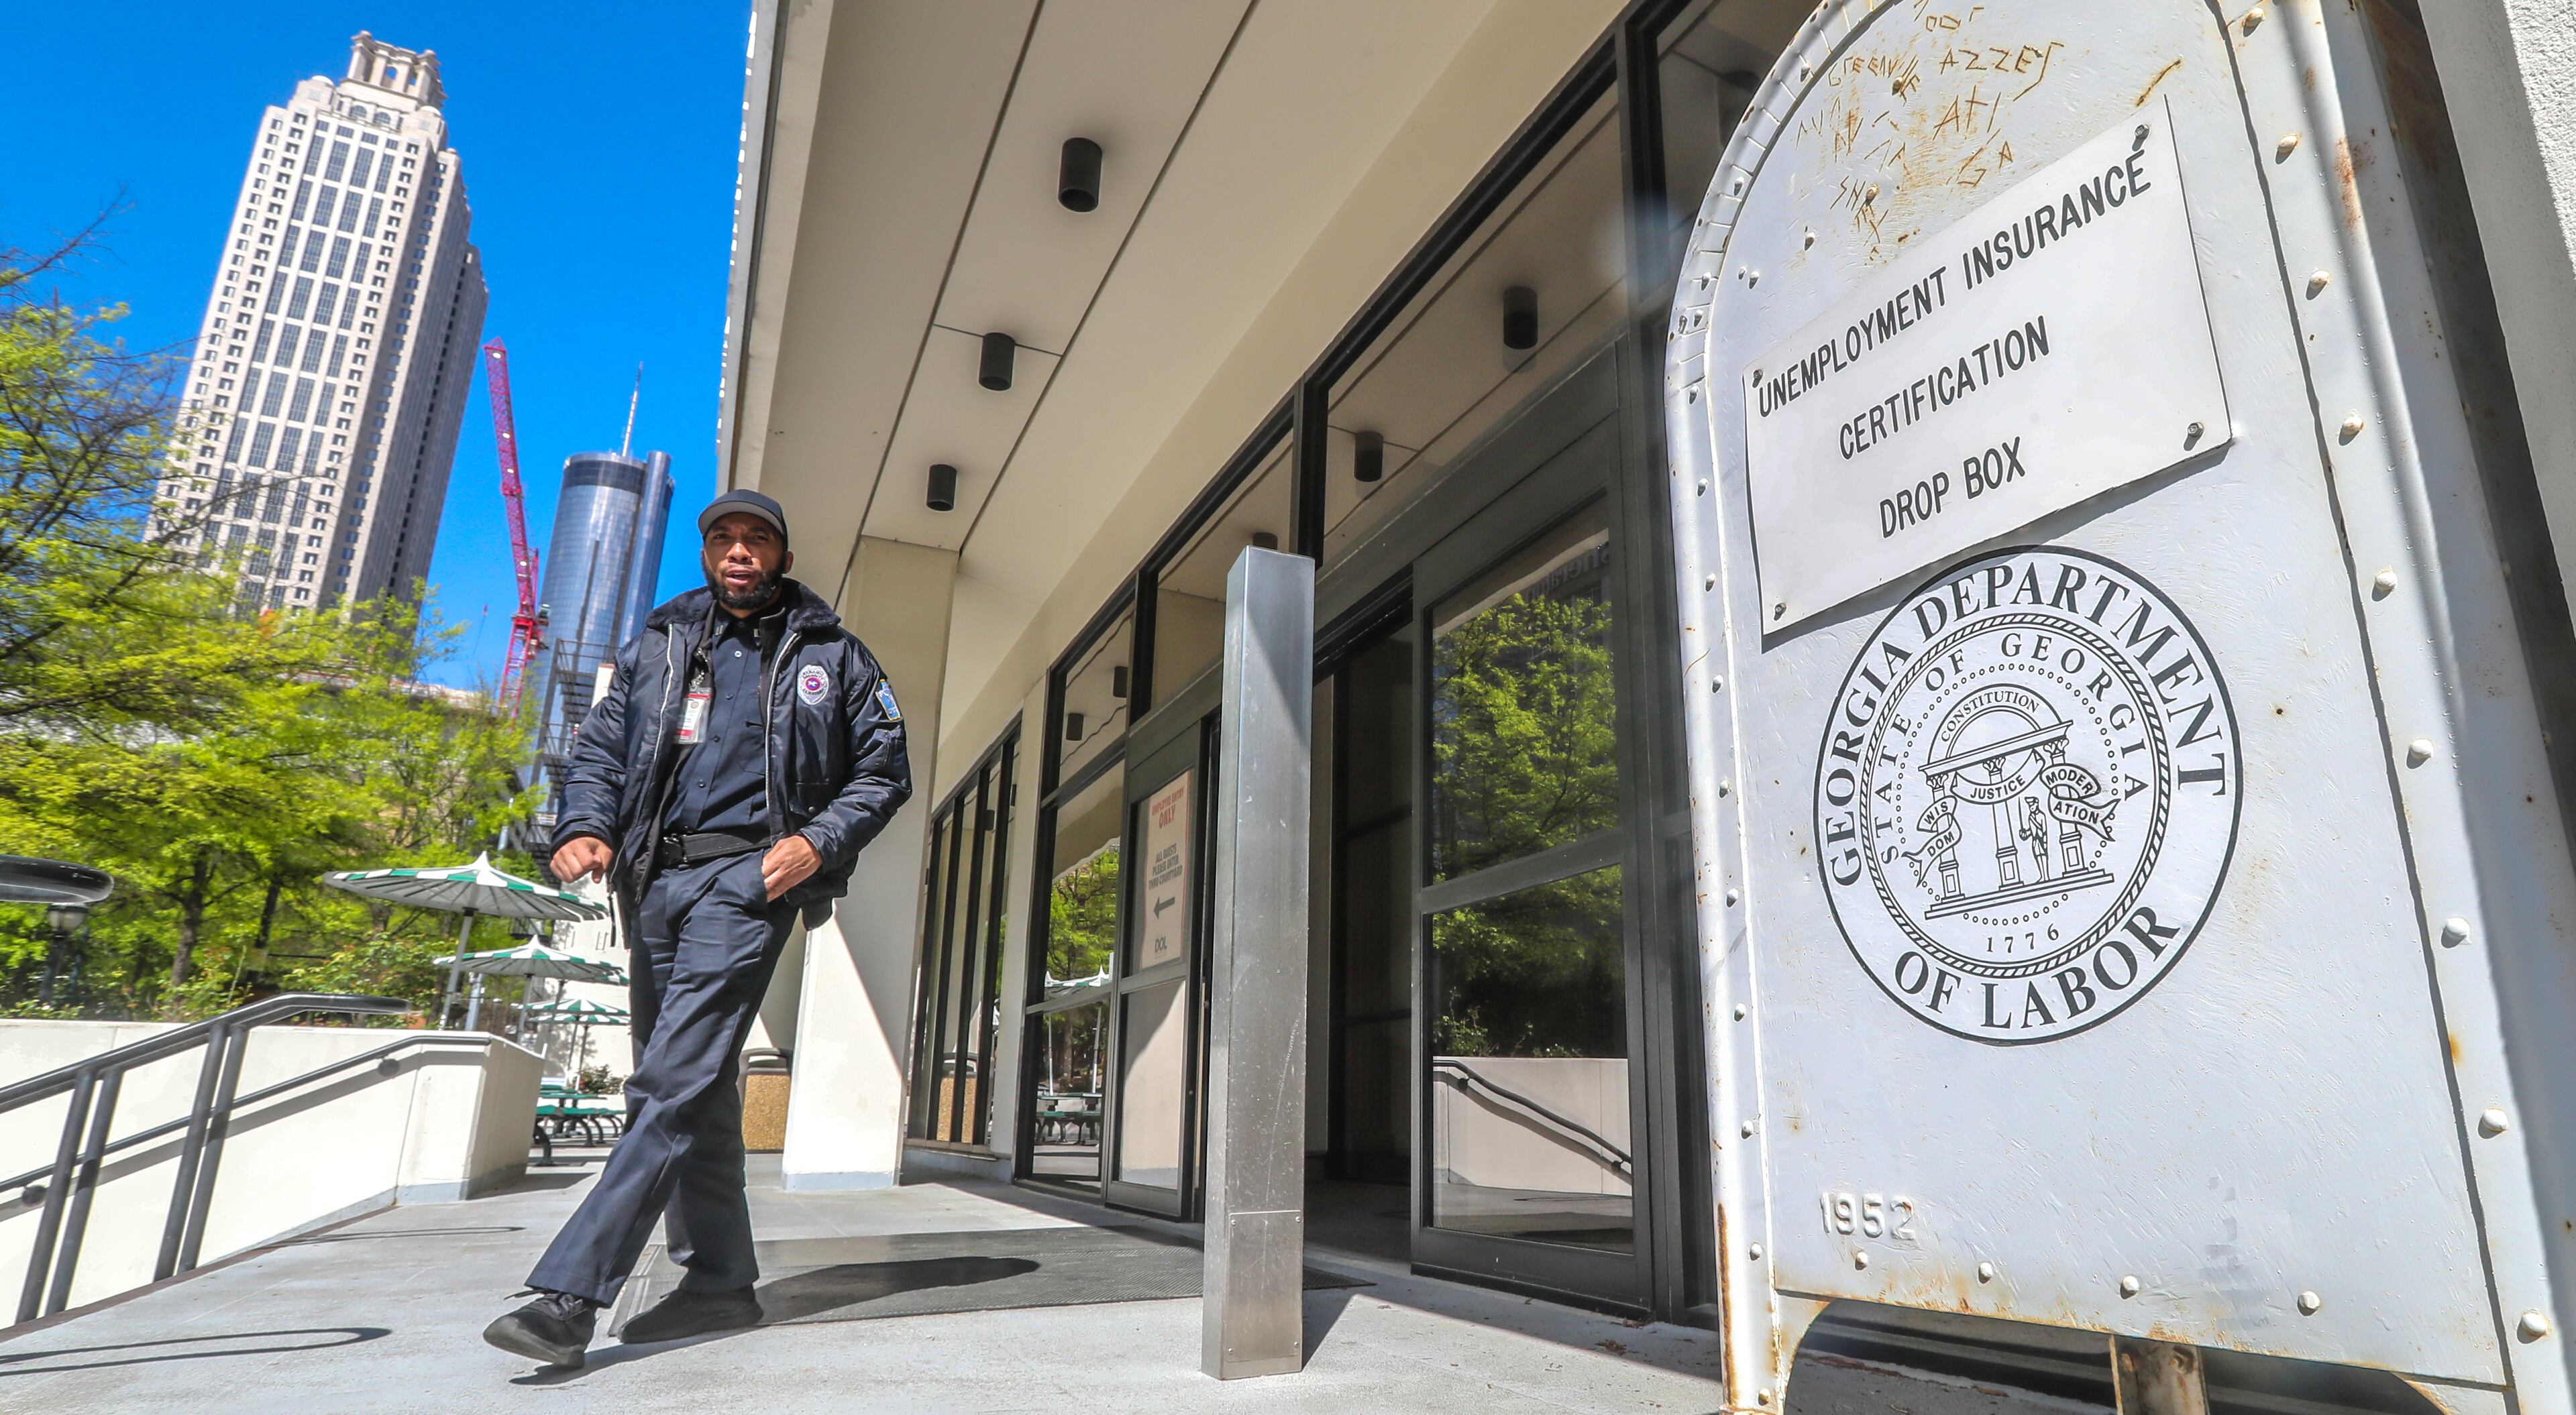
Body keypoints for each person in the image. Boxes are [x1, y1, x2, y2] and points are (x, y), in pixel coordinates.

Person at [482, 488, 911, 1369]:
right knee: (699, 1084)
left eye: (759, 538)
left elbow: (884, 766)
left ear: (784, 555)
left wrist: (812, 843)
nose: (741, 550)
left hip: (747, 881)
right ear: (708, 552)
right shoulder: (663, 641)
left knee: (671, 1079)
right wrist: (583, 825)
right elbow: (601, 750)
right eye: (725, 537)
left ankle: (571, 1294)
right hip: (656, 885)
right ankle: (718, 1279)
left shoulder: (831, 651)